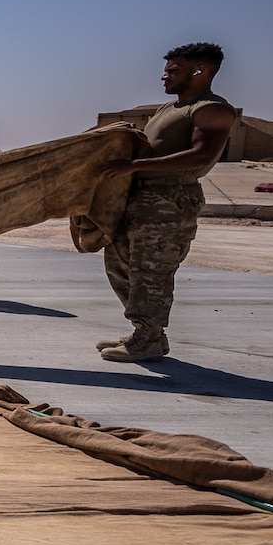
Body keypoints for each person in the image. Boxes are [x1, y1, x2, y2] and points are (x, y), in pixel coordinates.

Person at [94, 43, 236, 362]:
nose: (164, 76)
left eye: (173, 70)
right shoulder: (167, 109)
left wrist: (134, 167)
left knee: (152, 271)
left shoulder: (211, 109)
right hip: (141, 197)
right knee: (119, 262)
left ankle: (147, 339)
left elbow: (202, 154)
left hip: (171, 198)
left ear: (199, 71)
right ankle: (148, 333)